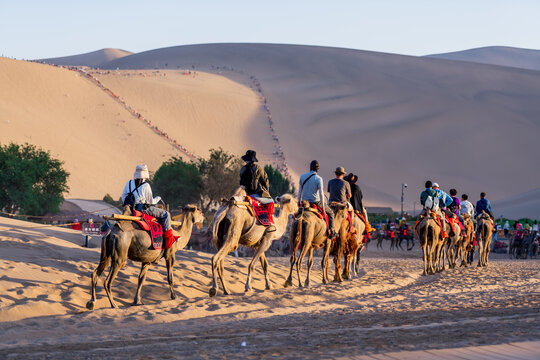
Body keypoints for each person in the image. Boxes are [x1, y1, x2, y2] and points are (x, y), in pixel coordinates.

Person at [121, 164, 175, 247]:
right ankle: (168, 241)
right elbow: (151, 202)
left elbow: (123, 196)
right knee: (166, 215)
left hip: (130, 209)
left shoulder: (129, 183)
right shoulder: (146, 185)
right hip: (143, 209)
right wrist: (158, 198)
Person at [297, 160, 335, 237]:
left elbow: (299, 191)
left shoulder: (302, 176)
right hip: (316, 202)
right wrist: (323, 208)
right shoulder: (318, 179)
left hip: (304, 202)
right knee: (331, 213)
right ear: (318, 169)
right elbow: (321, 194)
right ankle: (332, 231)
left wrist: (298, 202)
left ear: (310, 167)